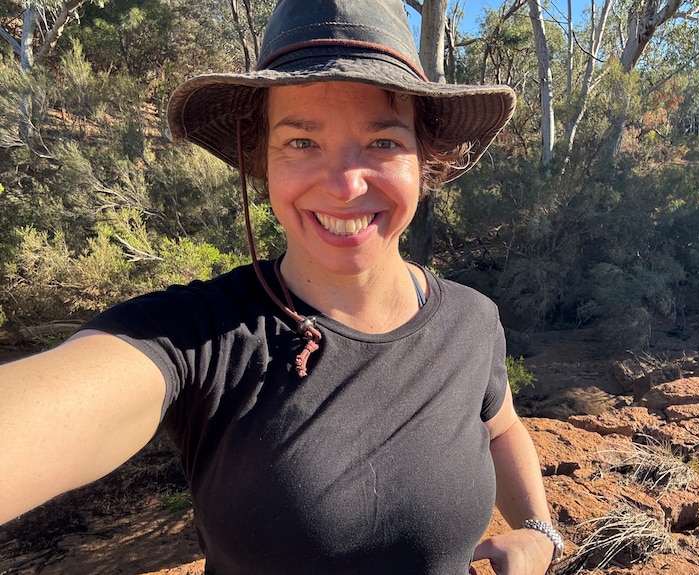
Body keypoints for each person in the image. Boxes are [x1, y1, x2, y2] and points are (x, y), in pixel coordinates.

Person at [0, 0, 564, 573]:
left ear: (425, 158)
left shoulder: (470, 320)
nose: (345, 186)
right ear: (261, 159)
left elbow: (502, 427)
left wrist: (539, 532)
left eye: (384, 142)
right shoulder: (198, 338)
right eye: (301, 141)